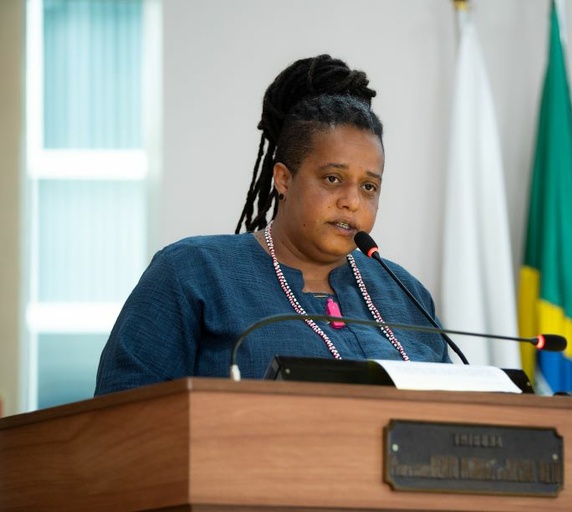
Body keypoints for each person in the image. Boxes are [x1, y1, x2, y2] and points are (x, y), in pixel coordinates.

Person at [94, 55, 451, 395]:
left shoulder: (406, 295)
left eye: (369, 186)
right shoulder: (193, 273)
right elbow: (123, 413)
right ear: (283, 178)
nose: (352, 201)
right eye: (332, 179)